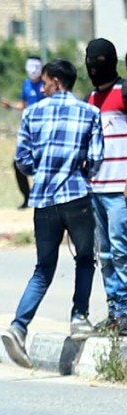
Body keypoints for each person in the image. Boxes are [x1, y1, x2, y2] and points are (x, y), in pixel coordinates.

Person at [1, 59, 104, 368]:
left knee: (43, 268)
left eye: (45, 82)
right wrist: (80, 170)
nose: (41, 87)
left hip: (43, 200)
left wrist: (42, 169)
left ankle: (18, 327)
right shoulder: (90, 112)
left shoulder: (32, 112)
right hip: (76, 197)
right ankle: (79, 317)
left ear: (57, 82)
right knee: (85, 258)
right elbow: (97, 160)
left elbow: (22, 161)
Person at [85, 38, 127, 336]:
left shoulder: (124, 93)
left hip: (120, 191)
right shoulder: (89, 100)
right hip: (96, 190)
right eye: (90, 62)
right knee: (106, 255)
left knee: (123, 251)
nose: (93, 68)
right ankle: (116, 312)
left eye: (98, 62)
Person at [1, 56, 46, 209]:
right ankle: (27, 197)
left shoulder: (46, 85)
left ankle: (42, 197)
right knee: (18, 163)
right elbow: (24, 104)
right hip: (28, 131)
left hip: (44, 131)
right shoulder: (26, 84)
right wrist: (11, 106)